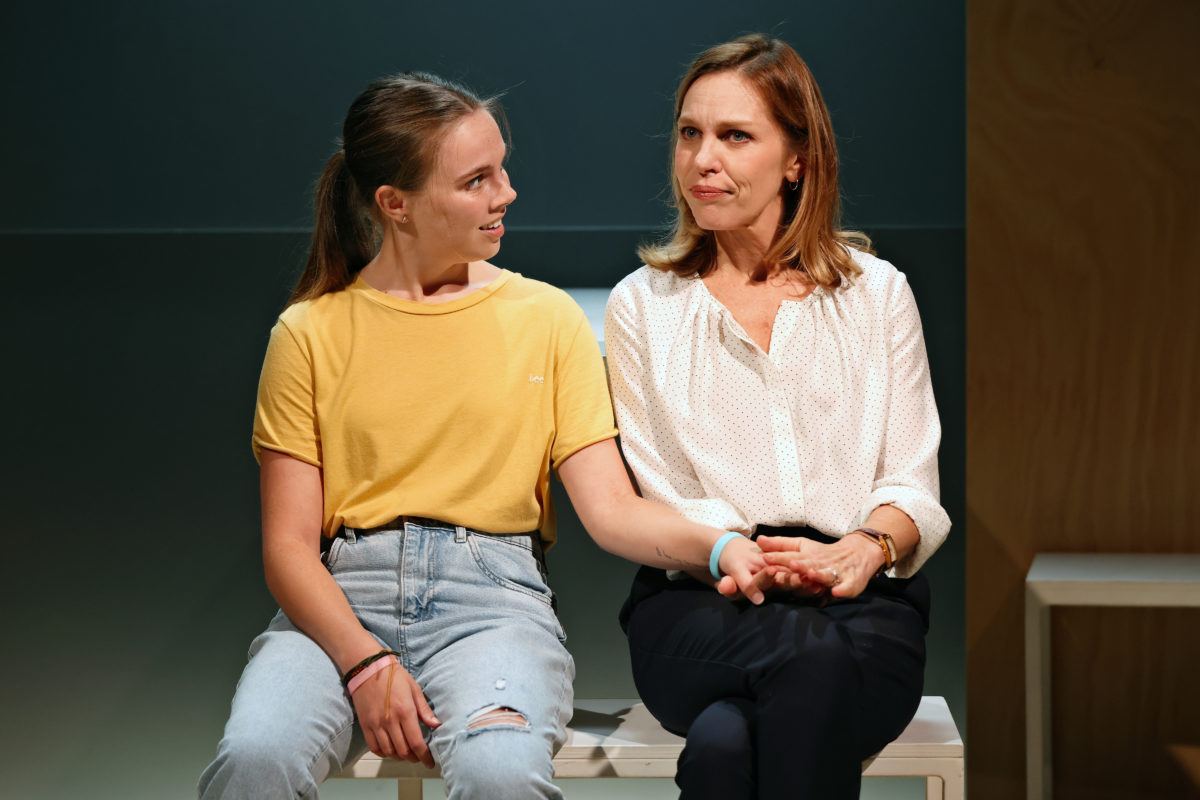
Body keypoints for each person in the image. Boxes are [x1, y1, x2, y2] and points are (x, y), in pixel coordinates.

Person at [197, 71, 768, 800]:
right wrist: (364, 662)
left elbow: (611, 508)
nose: (506, 193)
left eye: (502, 169)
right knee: (255, 758)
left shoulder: (545, 319)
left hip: (493, 603)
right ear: (394, 204)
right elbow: (287, 546)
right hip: (338, 601)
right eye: (476, 181)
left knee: (501, 774)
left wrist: (717, 545)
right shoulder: (309, 333)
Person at [606, 35, 952, 799]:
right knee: (807, 663)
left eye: (735, 136)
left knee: (727, 746)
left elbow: (912, 480)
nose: (703, 158)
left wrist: (864, 547)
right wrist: (749, 555)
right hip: (702, 604)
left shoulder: (876, 293)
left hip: (864, 600)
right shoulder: (643, 306)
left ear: (796, 159)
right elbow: (660, 487)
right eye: (690, 133)